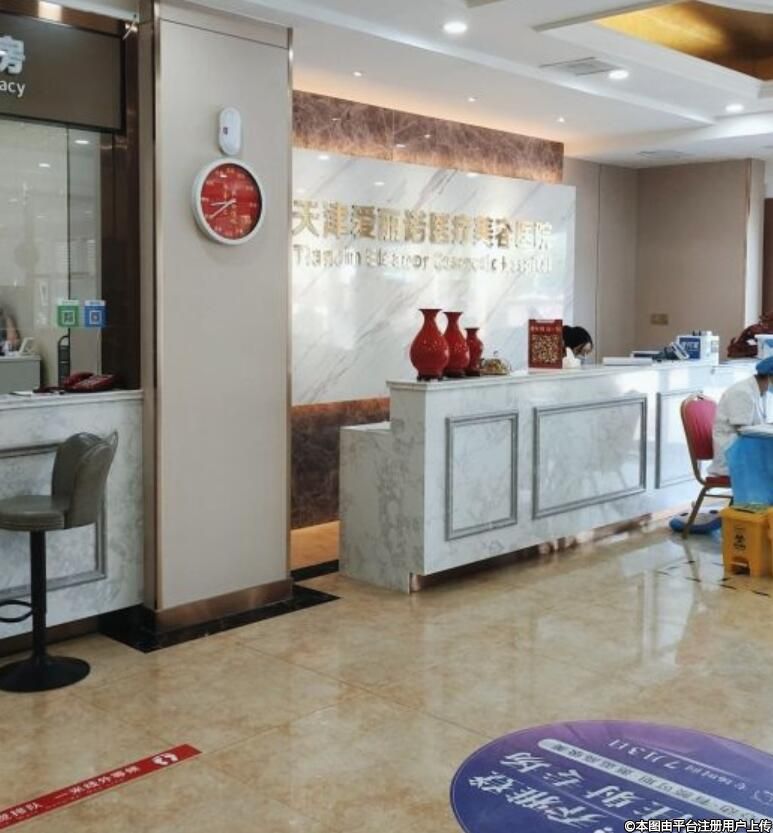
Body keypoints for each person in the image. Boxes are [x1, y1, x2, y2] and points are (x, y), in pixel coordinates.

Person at [709, 356, 773, 476]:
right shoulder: (742, 392)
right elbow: (744, 431)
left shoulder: (759, 391)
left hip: (746, 450)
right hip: (734, 456)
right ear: (770, 377)